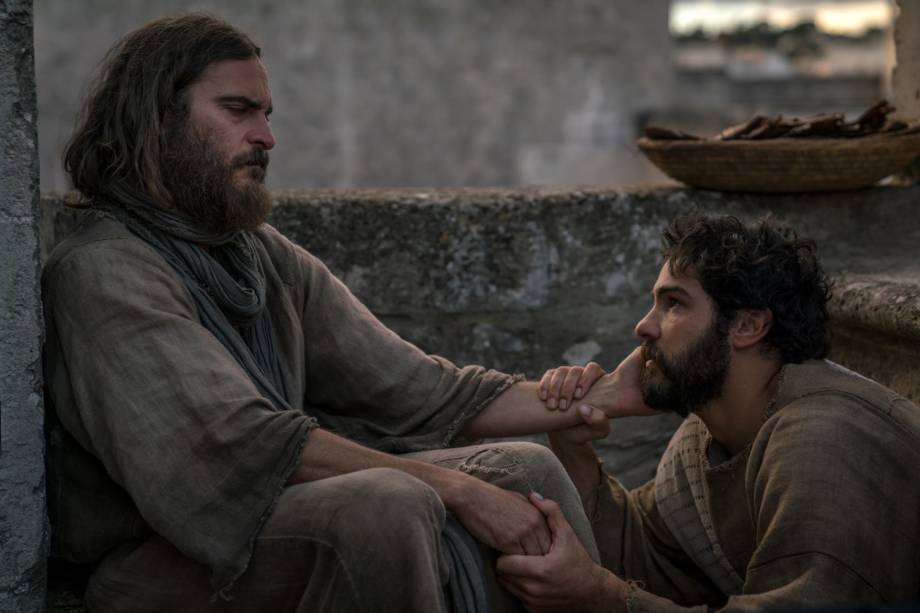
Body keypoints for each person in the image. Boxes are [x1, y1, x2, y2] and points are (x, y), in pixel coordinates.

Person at [41, 13, 650, 613]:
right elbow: (238, 444)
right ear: (157, 120)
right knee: (387, 505)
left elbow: (418, 390)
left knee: (526, 468)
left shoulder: (259, 257)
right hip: (155, 560)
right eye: (238, 110)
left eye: (267, 115)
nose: (266, 138)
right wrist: (460, 490)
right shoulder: (104, 270)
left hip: (264, 515)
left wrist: (609, 394)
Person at [496, 213, 920, 611]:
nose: (643, 327)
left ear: (747, 326)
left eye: (674, 304)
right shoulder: (705, 437)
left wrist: (601, 597)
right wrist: (575, 438)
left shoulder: (823, 441)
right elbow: (646, 558)